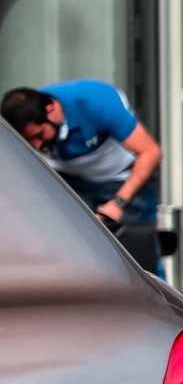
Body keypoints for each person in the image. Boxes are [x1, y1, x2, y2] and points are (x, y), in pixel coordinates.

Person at [3, 80, 164, 272]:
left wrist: (118, 203)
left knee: (139, 255)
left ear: (51, 111)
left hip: (122, 178)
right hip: (72, 180)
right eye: (29, 141)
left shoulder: (97, 101)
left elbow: (151, 152)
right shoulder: (30, 115)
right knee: (72, 252)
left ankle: (155, 301)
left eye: (39, 135)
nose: (37, 146)